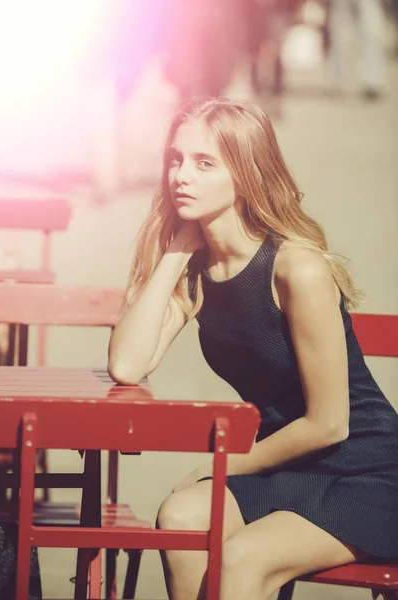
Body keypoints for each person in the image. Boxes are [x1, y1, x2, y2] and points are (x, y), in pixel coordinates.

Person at [108, 98, 398, 600]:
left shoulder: (296, 269)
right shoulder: (198, 272)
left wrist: (215, 469)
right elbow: (127, 365)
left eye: (204, 163)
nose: (181, 175)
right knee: (179, 519)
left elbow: (330, 423)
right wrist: (176, 251)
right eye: (175, 159)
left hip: (367, 473)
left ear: (244, 173)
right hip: (284, 468)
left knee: (243, 558)